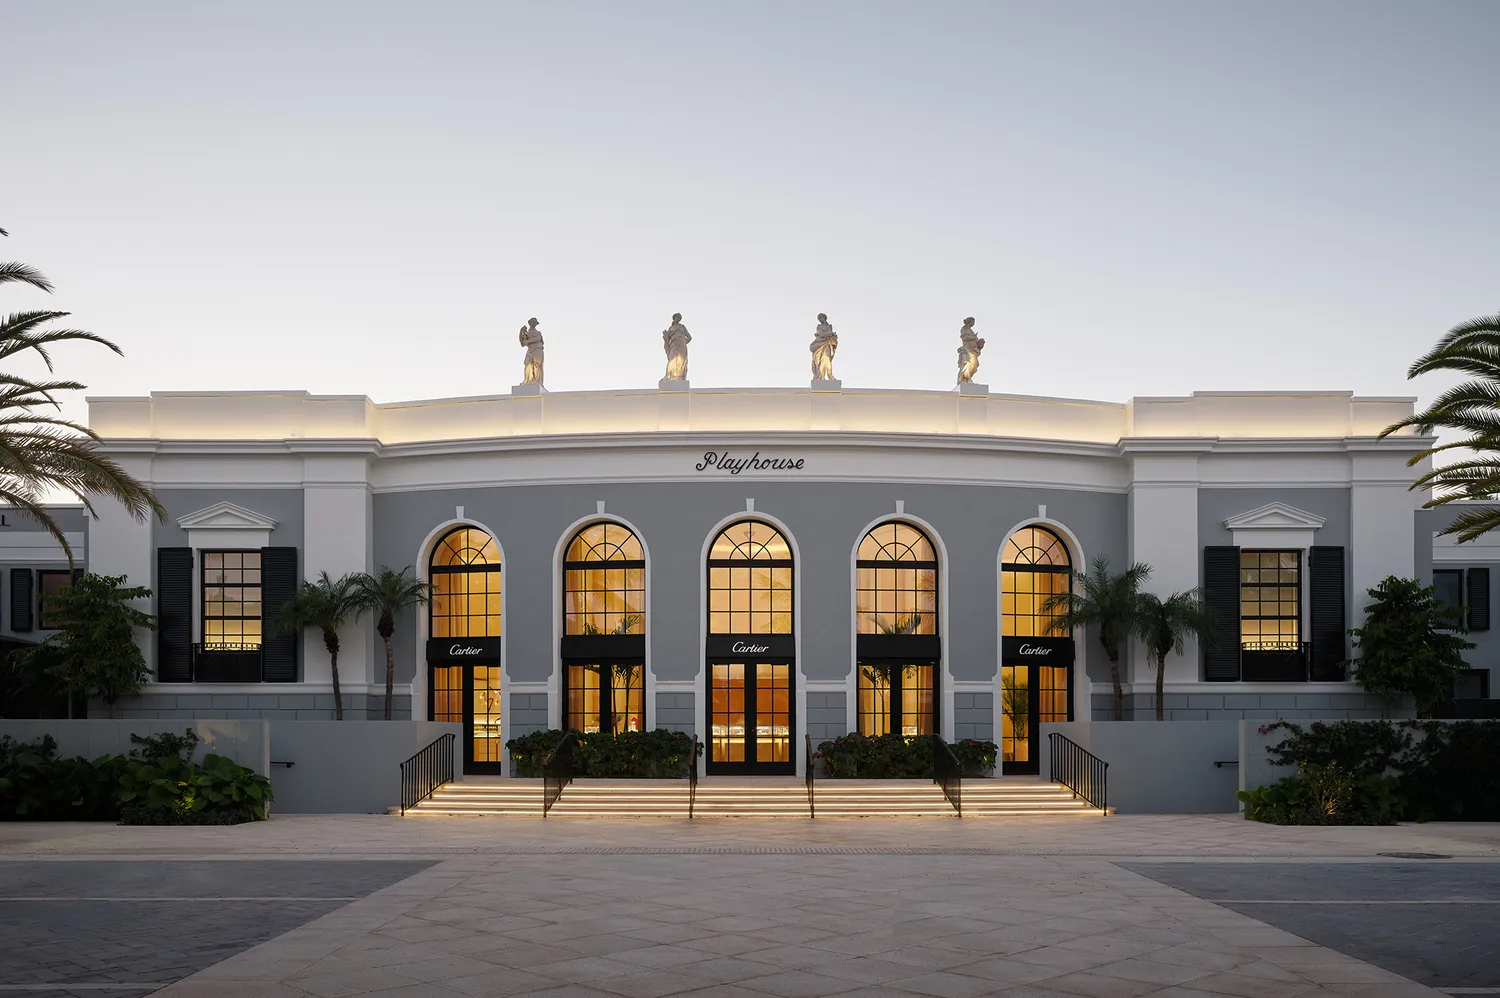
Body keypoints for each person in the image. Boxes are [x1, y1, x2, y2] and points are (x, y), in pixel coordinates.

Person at [662, 313, 691, 381]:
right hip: (673, 344)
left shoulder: (682, 327)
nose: (678, 319)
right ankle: (670, 375)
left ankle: (679, 376)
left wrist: (683, 343)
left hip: (681, 344)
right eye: (677, 317)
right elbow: (667, 339)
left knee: (681, 360)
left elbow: (689, 337)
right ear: (674, 318)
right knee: (672, 359)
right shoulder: (671, 328)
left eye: (679, 318)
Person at [811, 313, 838, 381]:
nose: (820, 320)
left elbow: (826, 333)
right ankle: (821, 376)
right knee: (819, 361)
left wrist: (828, 334)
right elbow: (821, 333)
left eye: (821, 318)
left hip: (827, 344)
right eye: (819, 319)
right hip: (819, 344)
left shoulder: (829, 326)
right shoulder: (819, 327)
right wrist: (830, 334)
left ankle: (830, 375)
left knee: (827, 360)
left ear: (824, 318)